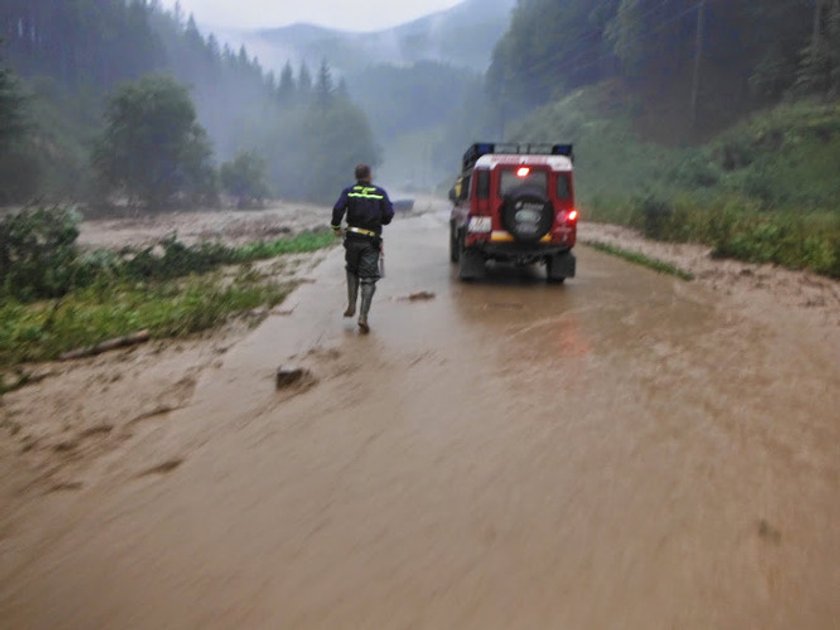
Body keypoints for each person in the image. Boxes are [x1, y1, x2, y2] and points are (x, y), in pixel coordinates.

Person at [331, 164, 394, 334]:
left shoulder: (348, 191)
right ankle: (363, 317)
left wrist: (336, 227)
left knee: (352, 269)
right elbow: (388, 215)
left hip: (351, 239)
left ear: (356, 176)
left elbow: (338, 209)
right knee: (368, 279)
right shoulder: (380, 193)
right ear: (369, 175)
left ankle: (351, 303)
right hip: (370, 241)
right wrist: (378, 218)